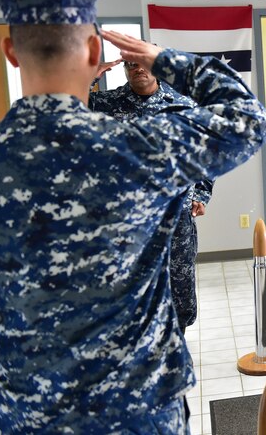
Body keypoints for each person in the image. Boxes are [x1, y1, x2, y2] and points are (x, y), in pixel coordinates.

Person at [0, 0, 266, 432]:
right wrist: (166, 59)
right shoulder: (141, 147)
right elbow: (249, 119)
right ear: (95, 51)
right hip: (141, 411)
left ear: (11, 52)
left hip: (30, 417)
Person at [89, 57, 215, 333]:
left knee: (179, 285)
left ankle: (177, 338)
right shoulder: (105, 103)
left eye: (143, 63)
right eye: (131, 65)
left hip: (175, 214)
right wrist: (89, 77)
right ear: (125, 69)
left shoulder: (183, 104)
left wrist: (201, 192)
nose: (138, 69)